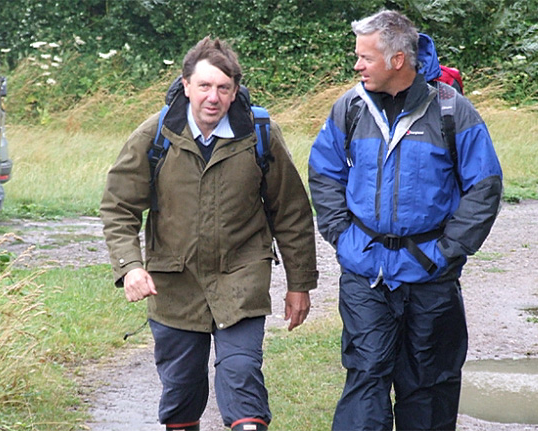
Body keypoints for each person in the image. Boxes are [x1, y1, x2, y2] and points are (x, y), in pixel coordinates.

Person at [100, 36, 318, 431]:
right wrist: (130, 266)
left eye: (223, 87)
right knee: (181, 394)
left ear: (235, 91)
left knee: (241, 375)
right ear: (186, 86)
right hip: (174, 284)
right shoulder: (155, 136)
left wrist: (299, 284)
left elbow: (291, 212)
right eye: (204, 86)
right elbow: (119, 206)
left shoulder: (260, 134)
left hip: (242, 279)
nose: (213, 97)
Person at [308, 10, 503, 431]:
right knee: (366, 377)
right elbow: (324, 172)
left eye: (365, 57)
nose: (356, 66)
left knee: (428, 387)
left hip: (431, 275)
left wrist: (448, 251)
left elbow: (485, 186)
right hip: (366, 273)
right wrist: (342, 236)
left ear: (397, 60)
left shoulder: (451, 110)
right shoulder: (351, 107)